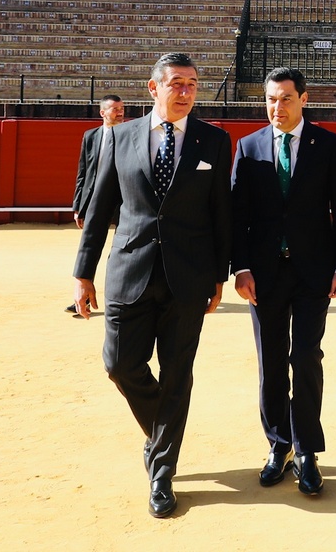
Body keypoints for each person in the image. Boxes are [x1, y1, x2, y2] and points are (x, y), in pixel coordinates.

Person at [72, 53, 233, 519]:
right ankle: (161, 433)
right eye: (176, 83)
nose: (185, 92)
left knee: (177, 374)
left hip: (189, 276)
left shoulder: (214, 140)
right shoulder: (121, 137)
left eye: (192, 84)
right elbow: (100, 208)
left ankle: (162, 473)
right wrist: (83, 273)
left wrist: (219, 275)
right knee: (119, 364)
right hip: (129, 270)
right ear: (153, 87)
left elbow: (221, 211)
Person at [231, 67, 336, 495]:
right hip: (263, 275)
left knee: (305, 357)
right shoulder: (248, 147)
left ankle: (306, 450)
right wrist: (240, 267)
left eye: (286, 98)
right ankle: (278, 445)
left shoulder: (329, 145)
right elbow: (238, 215)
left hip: (313, 273)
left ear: (304, 99)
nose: (277, 107)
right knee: (270, 361)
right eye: (270, 99)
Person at [65, 93, 124, 314]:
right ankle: (83, 297)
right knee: (89, 247)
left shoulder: (132, 134)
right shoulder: (91, 136)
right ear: (103, 112)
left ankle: (119, 297)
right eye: (115, 109)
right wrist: (78, 206)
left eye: (122, 109)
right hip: (95, 198)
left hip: (123, 200)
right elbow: (83, 172)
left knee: (121, 250)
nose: (120, 113)